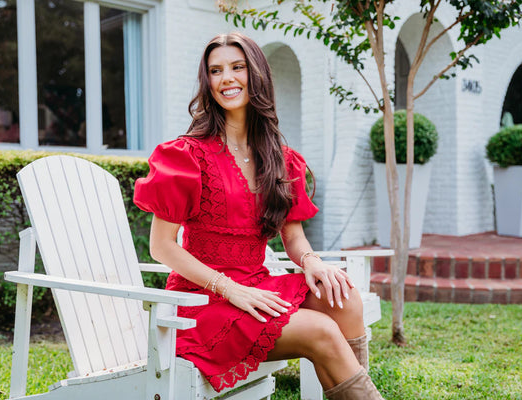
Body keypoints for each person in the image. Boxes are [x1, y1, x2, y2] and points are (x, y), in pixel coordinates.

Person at [134, 32, 384, 400]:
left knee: (343, 298)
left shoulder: (280, 158)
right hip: (203, 303)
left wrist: (312, 262)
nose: (227, 79)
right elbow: (162, 247)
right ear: (208, 82)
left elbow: (293, 237)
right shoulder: (186, 155)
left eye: (238, 67)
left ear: (257, 75)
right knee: (320, 330)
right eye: (216, 71)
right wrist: (230, 289)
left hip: (258, 286)